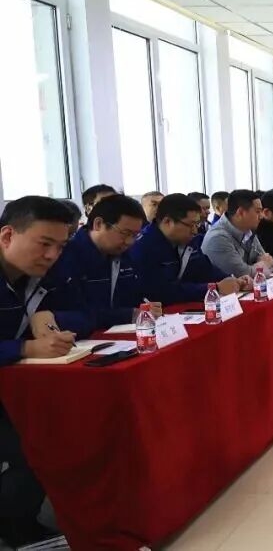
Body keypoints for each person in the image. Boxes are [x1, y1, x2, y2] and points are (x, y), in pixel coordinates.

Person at [0, 197, 82, 546]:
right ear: (7, 236)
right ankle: (14, 527)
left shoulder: (39, 274)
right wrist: (23, 348)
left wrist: (49, 322)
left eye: (60, 247)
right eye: (44, 244)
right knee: (30, 449)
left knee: (56, 436)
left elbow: (83, 310)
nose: (52, 255)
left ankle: (22, 522)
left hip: (16, 383)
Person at [48, 195, 160, 335]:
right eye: (125, 233)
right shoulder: (65, 257)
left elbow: (134, 297)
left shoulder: (127, 256)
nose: (129, 242)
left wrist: (145, 307)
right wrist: (127, 314)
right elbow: (72, 313)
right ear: (98, 224)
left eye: (135, 235)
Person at [131, 194, 242, 304]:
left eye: (197, 225)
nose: (195, 231)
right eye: (190, 225)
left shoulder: (187, 241)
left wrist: (234, 280)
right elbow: (162, 291)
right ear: (167, 221)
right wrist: (214, 287)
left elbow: (205, 269)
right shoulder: (143, 247)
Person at [201, 190, 273, 278]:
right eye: (258, 211)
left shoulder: (248, 230)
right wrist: (262, 265)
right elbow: (242, 274)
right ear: (240, 212)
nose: (262, 216)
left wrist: (261, 266)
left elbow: (269, 263)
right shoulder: (217, 238)